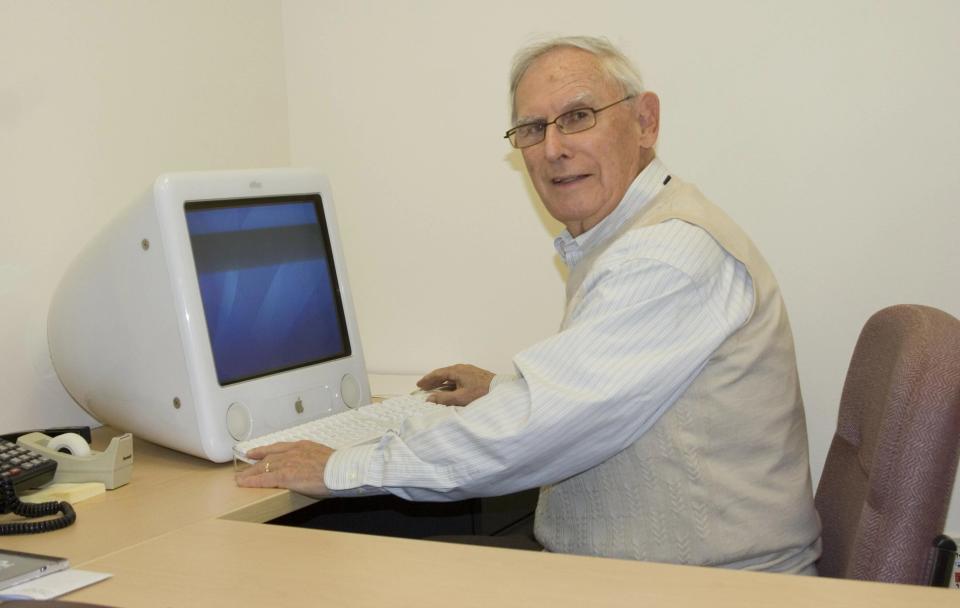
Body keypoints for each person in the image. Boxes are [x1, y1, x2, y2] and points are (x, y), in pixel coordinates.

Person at [237, 35, 822, 574]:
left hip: (711, 589)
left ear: (645, 122)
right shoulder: (627, 235)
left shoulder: (667, 255)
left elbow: (540, 427)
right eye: (532, 130)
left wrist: (339, 467)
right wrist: (505, 390)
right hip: (651, 574)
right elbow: (591, 392)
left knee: (339, 576)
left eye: (577, 117)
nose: (554, 149)